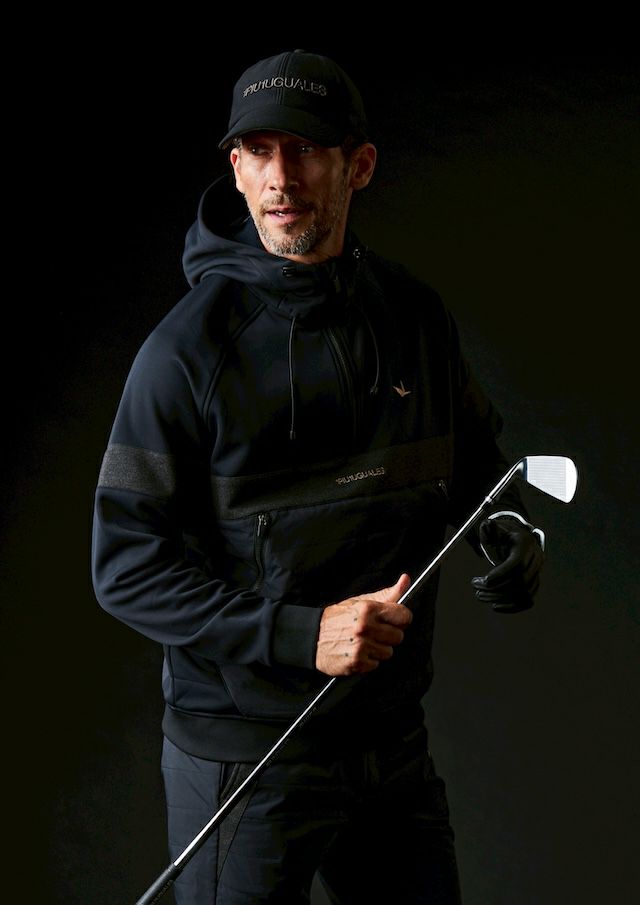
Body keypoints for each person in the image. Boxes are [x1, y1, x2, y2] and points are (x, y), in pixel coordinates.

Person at [92, 49, 545, 904]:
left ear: (358, 165)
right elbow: (124, 569)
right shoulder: (183, 354)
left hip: (390, 746)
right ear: (235, 168)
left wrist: (508, 529)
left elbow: (476, 466)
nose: (280, 177)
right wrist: (304, 635)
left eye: (304, 149)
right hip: (244, 761)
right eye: (258, 152)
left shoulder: (414, 317)